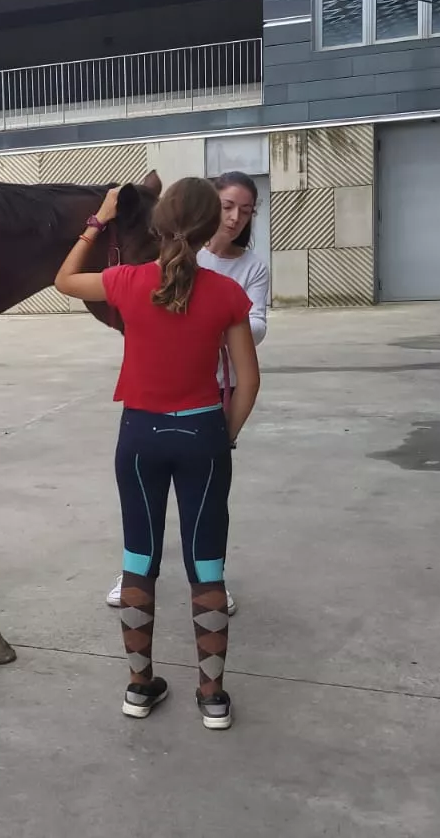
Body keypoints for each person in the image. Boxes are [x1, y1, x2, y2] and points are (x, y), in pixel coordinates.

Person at [54, 177, 261, 730]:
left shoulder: (127, 281)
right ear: (208, 227)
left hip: (140, 437)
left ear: (159, 224)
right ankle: (212, 696)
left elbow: (64, 280)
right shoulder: (227, 294)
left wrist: (98, 219)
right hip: (202, 438)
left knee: (139, 561)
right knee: (207, 565)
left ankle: (139, 687)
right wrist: (226, 435)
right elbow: (248, 380)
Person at [104, 171, 271, 615]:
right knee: (197, 514)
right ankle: (211, 682)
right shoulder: (216, 284)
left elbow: (256, 327)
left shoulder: (245, 271)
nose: (236, 217)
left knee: (188, 512)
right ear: (209, 211)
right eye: (229, 206)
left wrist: (199, 328)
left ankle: (140, 680)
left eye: (246, 210)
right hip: (190, 409)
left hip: (208, 395)